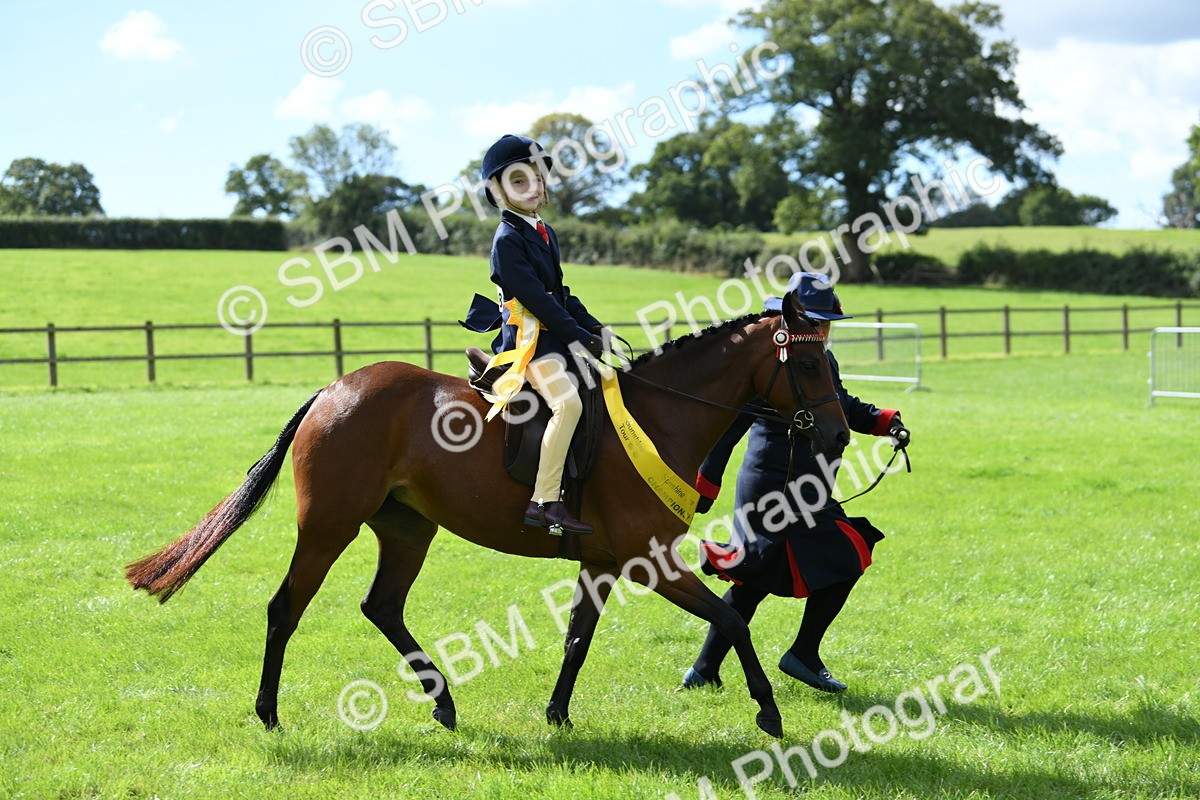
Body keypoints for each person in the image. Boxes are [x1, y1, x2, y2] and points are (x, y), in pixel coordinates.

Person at [682, 272, 910, 693]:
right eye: (817, 321)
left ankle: (703, 671)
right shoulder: (766, 359)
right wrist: (704, 486)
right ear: (792, 316)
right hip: (773, 487)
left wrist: (884, 421)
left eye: (827, 323)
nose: (823, 330)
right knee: (848, 553)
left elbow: (838, 405)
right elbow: (729, 429)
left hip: (811, 485)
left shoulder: (819, 356)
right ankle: (802, 654)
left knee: (754, 582)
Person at [466, 134, 606, 535]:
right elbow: (538, 303)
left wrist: (594, 325)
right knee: (569, 405)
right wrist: (578, 336)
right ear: (497, 191)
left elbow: (559, 293)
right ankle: (544, 502)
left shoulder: (544, 231)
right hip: (529, 347)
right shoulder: (507, 241)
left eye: (538, 179)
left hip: (554, 337)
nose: (534, 188)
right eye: (520, 182)